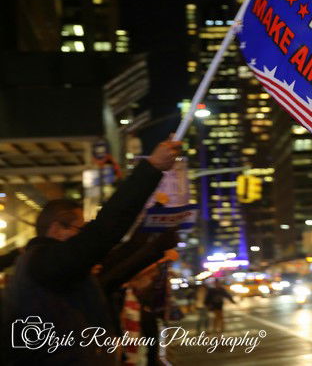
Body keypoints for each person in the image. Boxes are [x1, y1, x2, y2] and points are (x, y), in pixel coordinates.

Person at [2, 139, 182, 365]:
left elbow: (116, 265)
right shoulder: (43, 263)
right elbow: (103, 233)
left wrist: (156, 238)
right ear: (57, 229)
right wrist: (151, 168)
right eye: (81, 228)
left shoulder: (52, 269)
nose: (84, 237)